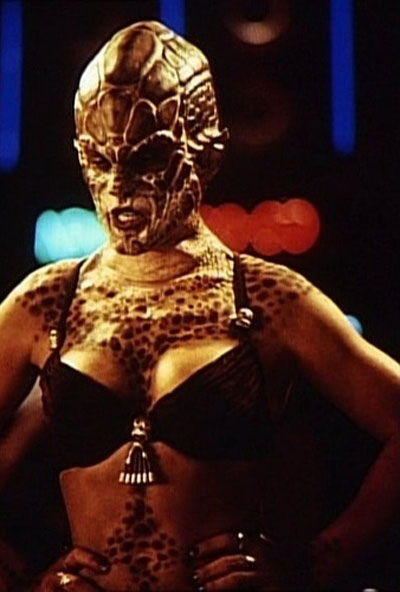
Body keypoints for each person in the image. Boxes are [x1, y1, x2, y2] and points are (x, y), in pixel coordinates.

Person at [0, 20, 399, 591]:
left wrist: (316, 568)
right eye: (100, 161)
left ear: (204, 153)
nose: (118, 187)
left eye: (146, 159)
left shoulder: (267, 299)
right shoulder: (48, 301)